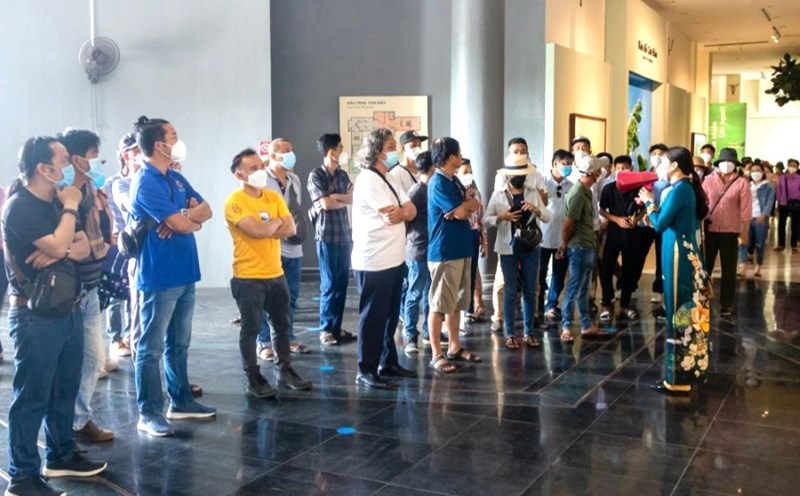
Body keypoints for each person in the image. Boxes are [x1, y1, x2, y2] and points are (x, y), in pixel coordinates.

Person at [3, 136, 107, 496]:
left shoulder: (56, 203)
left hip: (68, 309)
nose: (70, 167)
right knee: (32, 397)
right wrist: (69, 211)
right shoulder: (21, 207)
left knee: (65, 389)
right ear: (43, 169)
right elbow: (66, 245)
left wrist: (60, 245)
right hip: (35, 317)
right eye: (63, 161)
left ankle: (61, 455)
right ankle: (22, 476)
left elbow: (79, 247)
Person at [130, 117, 216, 437]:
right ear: (158, 145)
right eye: (173, 136)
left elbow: (206, 209)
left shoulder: (176, 178)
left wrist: (183, 217)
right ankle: (149, 411)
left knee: (179, 343)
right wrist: (186, 219)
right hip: (159, 275)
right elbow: (183, 225)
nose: (178, 141)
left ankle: (179, 402)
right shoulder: (146, 182)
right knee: (150, 348)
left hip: (185, 271)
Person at [225, 147, 312, 398]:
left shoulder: (273, 198)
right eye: (253, 169)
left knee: (282, 325)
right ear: (239, 175)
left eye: (260, 166)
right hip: (248, 276)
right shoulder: (235, 202)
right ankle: (253, 377)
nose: (260, 172)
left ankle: (285, 370)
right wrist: (271, 226)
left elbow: (291, 228)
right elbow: (259, 231)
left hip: (276, 273)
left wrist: (267, 226)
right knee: (251, 329)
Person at [57, 129, 116, 444]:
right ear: (77, 159)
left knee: (92, 360)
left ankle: (77, 420)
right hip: (71, 290)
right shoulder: (62, 194)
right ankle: (69, 425)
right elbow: (71, 245)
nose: (98, 163)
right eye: (94, 157)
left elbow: (100, 235)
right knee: (79, 361)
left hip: (90, 286)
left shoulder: (91, 190)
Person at [638, 146, 710, 395]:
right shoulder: (684, 189)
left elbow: (660, 224)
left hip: (679, 255)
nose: (658, 165)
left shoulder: (681, 190)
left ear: (674, 166)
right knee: (676, 311)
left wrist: (649, 203)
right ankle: (675, 376)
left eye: (663, 161)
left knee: (678, 312)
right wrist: (653, 214)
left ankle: (679, 379)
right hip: (678, 251)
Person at [351, 128, 417, 389]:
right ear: (378, 150)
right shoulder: (368, 179)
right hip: (374, 260)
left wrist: (403, 212)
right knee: (373, 317)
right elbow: (390, 213)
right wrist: (403, 212)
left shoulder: (388, 176)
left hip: (394, 258)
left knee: (390, 315)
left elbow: (410, 208)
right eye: (391, 145)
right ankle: (365, 369)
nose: (395, 150)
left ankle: (387, 361)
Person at [427, 137, 482, 373]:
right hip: (445, 251)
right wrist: (464, 207)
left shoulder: (455, 181)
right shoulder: (438, 182)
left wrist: (466, 205)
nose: (461, 157)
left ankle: (454, 346)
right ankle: (436, 353)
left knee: (458, 301)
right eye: (458, 154)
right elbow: (460, 212)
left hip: (461, 248)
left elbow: (474, 204)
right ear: (451, 157)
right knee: (439, 303)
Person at [485, 155, 550, 349]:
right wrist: (502, 217)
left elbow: (547, 217)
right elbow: (486, 219)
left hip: (530, 246)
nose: (519, 177)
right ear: (508, 175)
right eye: (515, 174)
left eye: (522, 174)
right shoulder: (499, 194)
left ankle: (529, 332)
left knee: (530, 290)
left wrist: (536, 210)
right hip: (507, 247)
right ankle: (510, 333)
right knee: (510, 291)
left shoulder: (532, 193)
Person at [255, 139, 311, 361]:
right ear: (273, 155)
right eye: (286, 151)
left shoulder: (294, 179)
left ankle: (287, 337)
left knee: (291, 296)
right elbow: (260, 212)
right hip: (271, 247)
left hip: (293, 248)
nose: (291, 154)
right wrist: (279, 227)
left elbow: (295, 211)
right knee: (267, 298)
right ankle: (264, 342)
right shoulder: (262, 179)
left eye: (292, 150)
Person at [308, 133, 356, 346]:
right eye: (340, 147)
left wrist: (334, 197)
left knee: (342, 284)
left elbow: (354, 198)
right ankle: (326, 329)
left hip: (345, 235)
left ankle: (336, 327)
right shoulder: (316, 175)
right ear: (331, 152)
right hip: (326, 236)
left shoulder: (343, 175)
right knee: (329, 284)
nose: (343, 151)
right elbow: (324, 205)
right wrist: (337, 199)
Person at [559, 155, 604, 341]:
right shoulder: (578, 193)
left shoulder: (586, 191)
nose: (601, 173)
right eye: (598, 171)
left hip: (587, 244)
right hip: (578, 247)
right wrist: (564, 243)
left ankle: (586, 324)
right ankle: (567, 326)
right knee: (574, 288)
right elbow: (568, 223)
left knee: (584, 289)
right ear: (592, 173)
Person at [703, 148, 751, 317]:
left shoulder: (742, 183)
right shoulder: (708, 181)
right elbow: (702, 204)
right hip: (709, 230)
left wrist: (744, 233)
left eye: (731, 162)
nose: (727, 165)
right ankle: (702, 299)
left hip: (731, 232)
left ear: (736, 165)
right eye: (724, 161)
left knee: (729, 268)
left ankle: (727, 304)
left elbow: (746, 210)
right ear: (718, 163)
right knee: (705, 267)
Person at [598, 155, 644, 323]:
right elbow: (602, 210)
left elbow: (645, 208)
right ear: (615, 169)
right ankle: (606, 304)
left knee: (629, 271)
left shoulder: (638, 188)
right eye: (619, 168)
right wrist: (616, 219)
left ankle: (625, 305)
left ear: (631, 168)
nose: (622, 170)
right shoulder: (609, 188)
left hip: (632, 235)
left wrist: (636, 220)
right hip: (613, 234)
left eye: (625, 167)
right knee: (606, 269)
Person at [103, 133, 136, 360]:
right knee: (116, 294)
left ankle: (131, 335)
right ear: (125, 156)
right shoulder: (112, 184)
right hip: (117, 245)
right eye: (136, 152)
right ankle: (116, 338)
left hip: (137, 243)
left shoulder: (145, 179)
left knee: (132, 293)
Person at [402, 151, 434, 355]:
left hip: (431, 251)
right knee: (414, 294)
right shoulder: (416, 192)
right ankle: (410, 335)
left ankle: (429, 333)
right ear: (432, 168)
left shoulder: (429, 189)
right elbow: (406, 220)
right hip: (417, 251)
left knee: (429, 295)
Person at [541, 150, 574, 322]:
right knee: (540, 274)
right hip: (542, 236)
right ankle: (538, 307)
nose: (567, 167)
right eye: (564, 163)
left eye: (570, 163)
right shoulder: (543, 183)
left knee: (559, 274)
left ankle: (551, 305)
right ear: (554, 163)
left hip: (563, 237)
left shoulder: (571, 186)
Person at [456, 158, 487, 326]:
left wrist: (484, 239)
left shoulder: (476, 191)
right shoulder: (454, 191)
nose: (468, 175)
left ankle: (469, 309)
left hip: (473, 233)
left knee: (472, 271)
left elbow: (480, 217)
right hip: (459, 233)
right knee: (460, 272)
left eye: (470, 171)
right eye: (464, 172)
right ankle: (458, 311)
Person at [738, 162, 775, 278]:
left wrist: (764, 214)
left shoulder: (767, 186)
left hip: (760, 218)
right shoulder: (746, 185)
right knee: (744, 242)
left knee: (760, 244)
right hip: (746, 218)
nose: (755, 173)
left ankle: (758, 267)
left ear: (763, 172)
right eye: (753, 170)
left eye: (758, 170)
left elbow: (770, 202)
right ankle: (743, 267)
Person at [775, 158, 800, 253]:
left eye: (795, 166)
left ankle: (794, 245)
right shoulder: (782, 178)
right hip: (783, 203)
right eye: (791, 165)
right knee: (781, 224)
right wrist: (778, 204)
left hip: (796, 203)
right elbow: (779, 192)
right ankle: (781, 244)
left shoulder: (799, 178)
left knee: (795, 225)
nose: (792, 167)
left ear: (797, 168)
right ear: (788, 165)